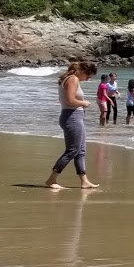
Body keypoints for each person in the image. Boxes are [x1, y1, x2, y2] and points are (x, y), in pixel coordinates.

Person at [45, 61, 99, 189]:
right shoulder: (73, 79)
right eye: (88, 76)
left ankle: (84, 181)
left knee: (80, 151)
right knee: (72, 150)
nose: (88, 79)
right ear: (83, 71)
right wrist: (84, 103)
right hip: (71, 117)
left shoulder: (70, 78)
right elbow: (70, 100)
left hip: (74, 116)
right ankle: (51, 179)